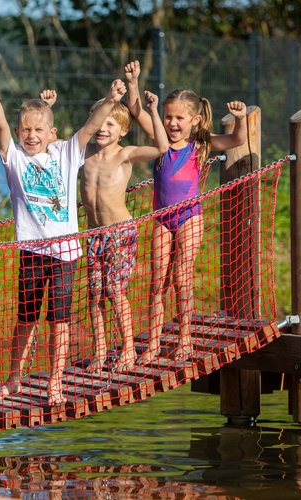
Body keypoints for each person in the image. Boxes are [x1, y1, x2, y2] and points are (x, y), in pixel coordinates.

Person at [0, 72, 127, 406]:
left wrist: (111, 99)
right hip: (31, 252)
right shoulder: (14, 159)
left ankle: (55, 382)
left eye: (38, 130)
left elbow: (91, 126)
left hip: (65, 254)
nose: (32, 136)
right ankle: (14, 379)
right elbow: (0, 127)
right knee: (26, 320)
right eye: (26, 130)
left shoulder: (66, 153)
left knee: (59, 322)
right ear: (19, 134)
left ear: (52, 133)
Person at [123, 60, 247, 363]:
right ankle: (153, 343)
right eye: (168, 117)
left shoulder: (200, 143)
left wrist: (241, 118)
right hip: (162, 219)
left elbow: (237, 140)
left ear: (194, 119)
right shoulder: (160, 142)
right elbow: (136, 110)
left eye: (179, 117)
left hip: (190, 217)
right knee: (157, 281)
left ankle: (185, 339)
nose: (172, 123)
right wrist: (133, 82)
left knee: (182, 277)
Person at [80, 88, 168, 373]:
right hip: (93, 234)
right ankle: (100, 352)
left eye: (110, 124)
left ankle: (128, 349)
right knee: (94, 294)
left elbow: (161, 148)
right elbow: (50, 144)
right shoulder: (84, 152)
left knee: (115, 291)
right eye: (99, 121)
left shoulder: (124, 154)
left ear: (123, 130)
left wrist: (153, 111)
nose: (102, 128)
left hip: (119, 233)